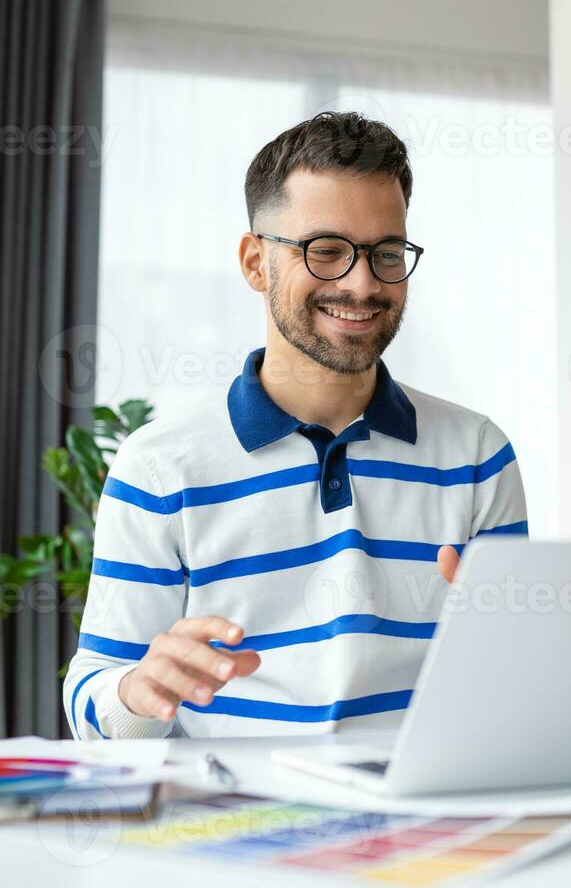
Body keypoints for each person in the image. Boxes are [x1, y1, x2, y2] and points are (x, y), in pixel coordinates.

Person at [63, 112, 527, 739]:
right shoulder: (158, 468)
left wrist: (516, 648)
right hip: (233, 821)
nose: (363, 284)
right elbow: (95, 692)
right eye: (326, 251)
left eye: (386, 253)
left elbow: (514, 693)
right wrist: (138, 692)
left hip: (420, 821)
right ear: (256, 263)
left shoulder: (477, 455)